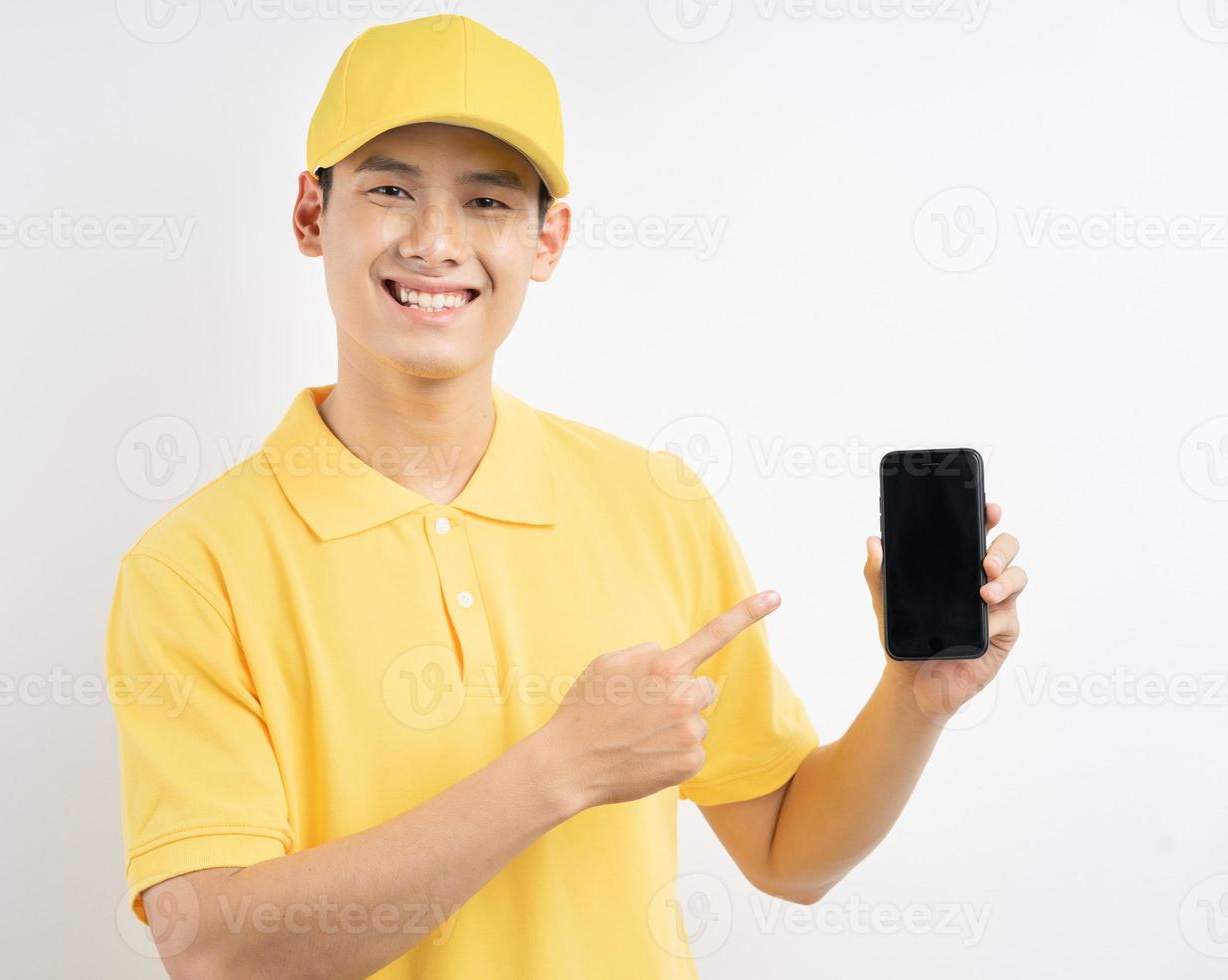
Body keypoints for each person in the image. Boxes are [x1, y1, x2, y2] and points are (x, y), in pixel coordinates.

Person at [105, 14, 1029, 978]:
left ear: (548, 239)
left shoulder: (653, 503)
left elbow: (790, 854)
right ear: (310, 214)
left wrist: (915, 702)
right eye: (390, 189)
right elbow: (216, 952)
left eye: (488, 202)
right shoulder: (195, 567)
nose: (436, 242)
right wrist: (560, 770)